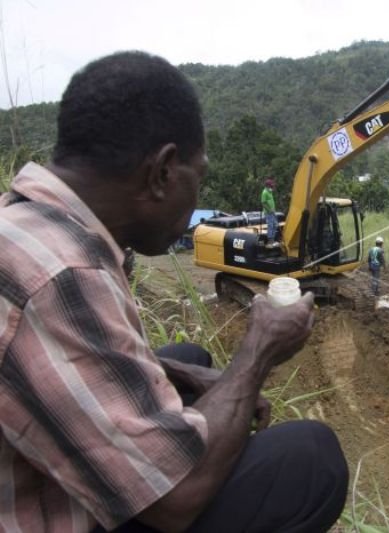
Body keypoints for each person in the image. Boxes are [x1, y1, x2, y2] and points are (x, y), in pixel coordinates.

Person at [0, 51, 347, 532]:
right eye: (198, 178)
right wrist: (258, 352)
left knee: (190, 360)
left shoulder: (23, 224)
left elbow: (39, 359)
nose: (197, 201)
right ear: (163, 172)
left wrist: (184, 372)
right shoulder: (64, 275)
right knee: (310, 458)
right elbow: (174, 499)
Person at [261, 177, 278, 244]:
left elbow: (270, 201)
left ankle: (273, 239)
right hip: (268, 212)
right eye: (271, 185)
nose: (272, 186)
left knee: (275, 225)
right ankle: (270, 240)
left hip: (272, 211)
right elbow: (263, 203)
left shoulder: (269, 191)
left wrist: (273, 209)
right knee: (270, 225)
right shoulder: (264, 192)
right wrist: (269, 210)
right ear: (268, 185)